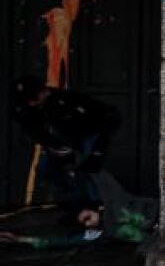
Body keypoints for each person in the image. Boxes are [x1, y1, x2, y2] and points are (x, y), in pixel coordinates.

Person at [10, 76, 120, 228]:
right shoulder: (25, 109)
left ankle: (96, 211)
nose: (31, 103)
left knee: (87, 172)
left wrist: (97, 152)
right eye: (28, 100)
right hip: (58, 143)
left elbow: (106, 120)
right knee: (48, 170)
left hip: (87, 137)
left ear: (44, 92)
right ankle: (75, 210)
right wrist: (55, 147)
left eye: (34, 98)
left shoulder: (69, 101)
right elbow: (34, 130)